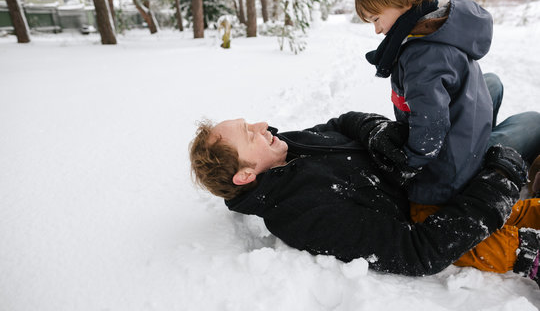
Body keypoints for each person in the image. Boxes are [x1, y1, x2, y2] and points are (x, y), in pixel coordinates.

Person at [189, 110, 540, 283]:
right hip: (437, 198)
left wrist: (375, 130)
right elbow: (419, 252)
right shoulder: (300, 214)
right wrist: (502, 178)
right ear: (245, 175)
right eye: (250, 135)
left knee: (499, 94)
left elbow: (340, 123)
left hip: (427, 167)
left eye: (251, 124)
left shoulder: (287, 146)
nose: (262, 126)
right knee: (528, 126)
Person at [355, 0, 494, 205]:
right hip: (469, 133)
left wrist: (408, 165)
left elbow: (431, 128)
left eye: (376, 18)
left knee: (422, 200)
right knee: (492, 82)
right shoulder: (435, 31)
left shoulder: (422, 55)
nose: (376, 30)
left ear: (406, 1)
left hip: (449, 175)